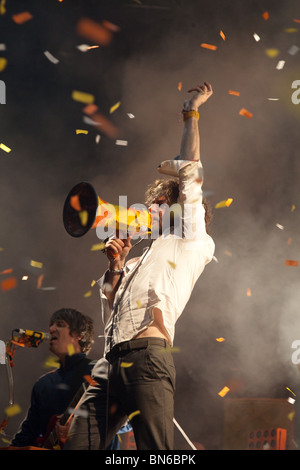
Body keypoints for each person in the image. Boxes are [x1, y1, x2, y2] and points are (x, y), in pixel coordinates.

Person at [65, 81, 215, 450]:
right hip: (109, 364)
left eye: (156, 205)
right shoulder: (140, 256)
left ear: (177, 209)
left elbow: (190, 172)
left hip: (148, 360)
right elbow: (110, 313)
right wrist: (116, 267)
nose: (145, 211)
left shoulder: (191, 239)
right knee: (77, 445)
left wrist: (190, 113)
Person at [10, 308, 95, 449]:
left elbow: (124, 422)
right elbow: (28, 433)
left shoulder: (98, 370)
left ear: (78, 334)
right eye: (51, 325)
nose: (51, 329)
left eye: (60, 324)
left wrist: (80, 430)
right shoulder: (43, 384)